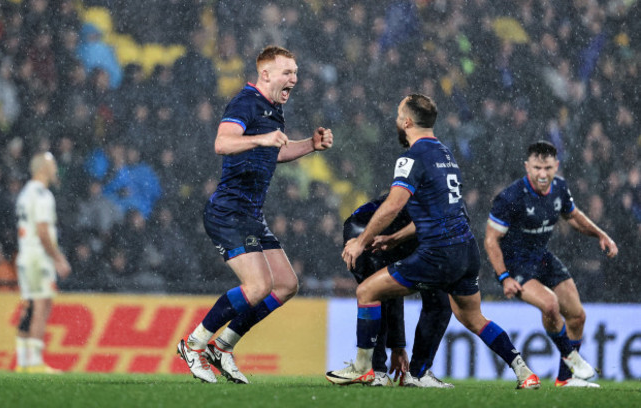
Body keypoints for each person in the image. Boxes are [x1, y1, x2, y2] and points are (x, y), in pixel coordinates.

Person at [326, 94, 540, 389]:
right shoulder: (446, 155)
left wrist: (361, 242)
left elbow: (392, 205)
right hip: (466, 251)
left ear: (408, 121)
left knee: (367, 291)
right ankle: (523, 370)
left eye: (399, 115)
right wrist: (395, 237)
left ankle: (365, 368)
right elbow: (437, 212)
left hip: (438, 253)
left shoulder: (412, 157)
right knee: (473, 317)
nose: (396, 120)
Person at [176, 45, 333, 384]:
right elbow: (223, 143)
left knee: (287, 284)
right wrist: (261, 139)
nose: (294, 78)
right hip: (228, 212)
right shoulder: (245, 103)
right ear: (265, 74)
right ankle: (194, 344)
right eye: (287, 72)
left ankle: (224, 345)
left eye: (295, 72)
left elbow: (273, 150)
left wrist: (310, 145)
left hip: (251, 214)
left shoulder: (274, 110)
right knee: (258, 285)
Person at [484, 141, 617, 388]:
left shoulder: (560, 187)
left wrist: (601, 235)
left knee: (577, 316)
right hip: (516, 265)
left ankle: (564, 381)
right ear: (527, 167)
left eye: (547, 167)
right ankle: (571, 356)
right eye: (537, 168)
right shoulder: (511, 197)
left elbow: (573, 217)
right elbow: (491, 239)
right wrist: (503, 277)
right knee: (550, 305)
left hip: (542, 257)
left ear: (556, 166)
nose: (542, 174)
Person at [344, 195, 453, 388]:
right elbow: (389, 297)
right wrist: (398, 346)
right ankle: (377, 371)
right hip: (368, 236)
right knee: (376, 296)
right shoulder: (433, 203)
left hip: (397, 237)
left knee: (439, 302)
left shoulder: (435, 203)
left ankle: (414, 372)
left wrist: (398, 346)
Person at [14, 152, 71, 373]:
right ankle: (34, 362)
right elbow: (42, 231)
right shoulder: (42, 195)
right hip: (38, 256)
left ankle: (23, 361)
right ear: (41, 168)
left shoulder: (26, 192)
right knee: (41, 304)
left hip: (25, 254)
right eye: (52, 163)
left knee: (30, 305)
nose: (55, 167)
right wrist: (58, 258)